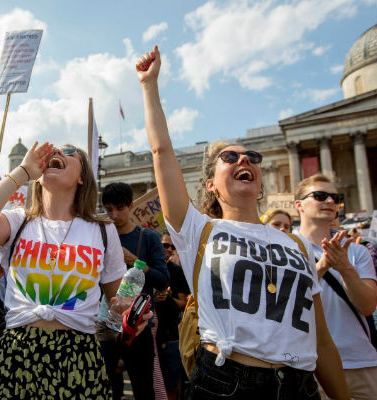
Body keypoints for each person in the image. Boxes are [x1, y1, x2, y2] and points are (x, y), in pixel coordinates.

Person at [137, 45, 348, 399]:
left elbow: (321, 339)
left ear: (260, 178)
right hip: (226, 384)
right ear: (210, 183)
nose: (243, 159)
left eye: (251, 157)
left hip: (298, 385)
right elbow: (162, 151)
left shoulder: (295, 244)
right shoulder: (199, 230)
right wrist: (149, 86)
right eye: (229, 157)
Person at [0, 143, 151, 399]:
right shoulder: (19, 221)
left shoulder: (103, 230)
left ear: (82, 178)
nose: (57, 154)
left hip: (79, 356)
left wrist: (128, 315)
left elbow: (118, 302)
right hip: (18, 351)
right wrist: (22, 172)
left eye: (69, 151)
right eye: (51, 153)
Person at [294, 174, 377, 399]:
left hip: (362, 362)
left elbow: (368, 305)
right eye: (320, 196)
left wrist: (345, 268)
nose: (330, 201)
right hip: (310, 365)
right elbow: (288, 304)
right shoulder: (285, 249)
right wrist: (320, 268)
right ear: (299, 205)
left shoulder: (357, 251)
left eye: (334, 197)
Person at [100, 182, 170, 400]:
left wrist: (135, 261)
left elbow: (163, 279)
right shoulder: (99, 237)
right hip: (105, 324)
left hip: (137, 326)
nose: (114, 215)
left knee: (143, 388)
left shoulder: (147, 238)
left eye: (120, 208)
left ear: (130, 206)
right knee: (108, 389)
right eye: (108, 209)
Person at [154, 231, 189, 400]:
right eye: (165, 245)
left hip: (170, 338)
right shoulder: (147, 268)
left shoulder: (177, 271)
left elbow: (183, 304)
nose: (168, 249)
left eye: (172, 246)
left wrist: (168, 298)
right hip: (148, 335)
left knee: (171, 388)